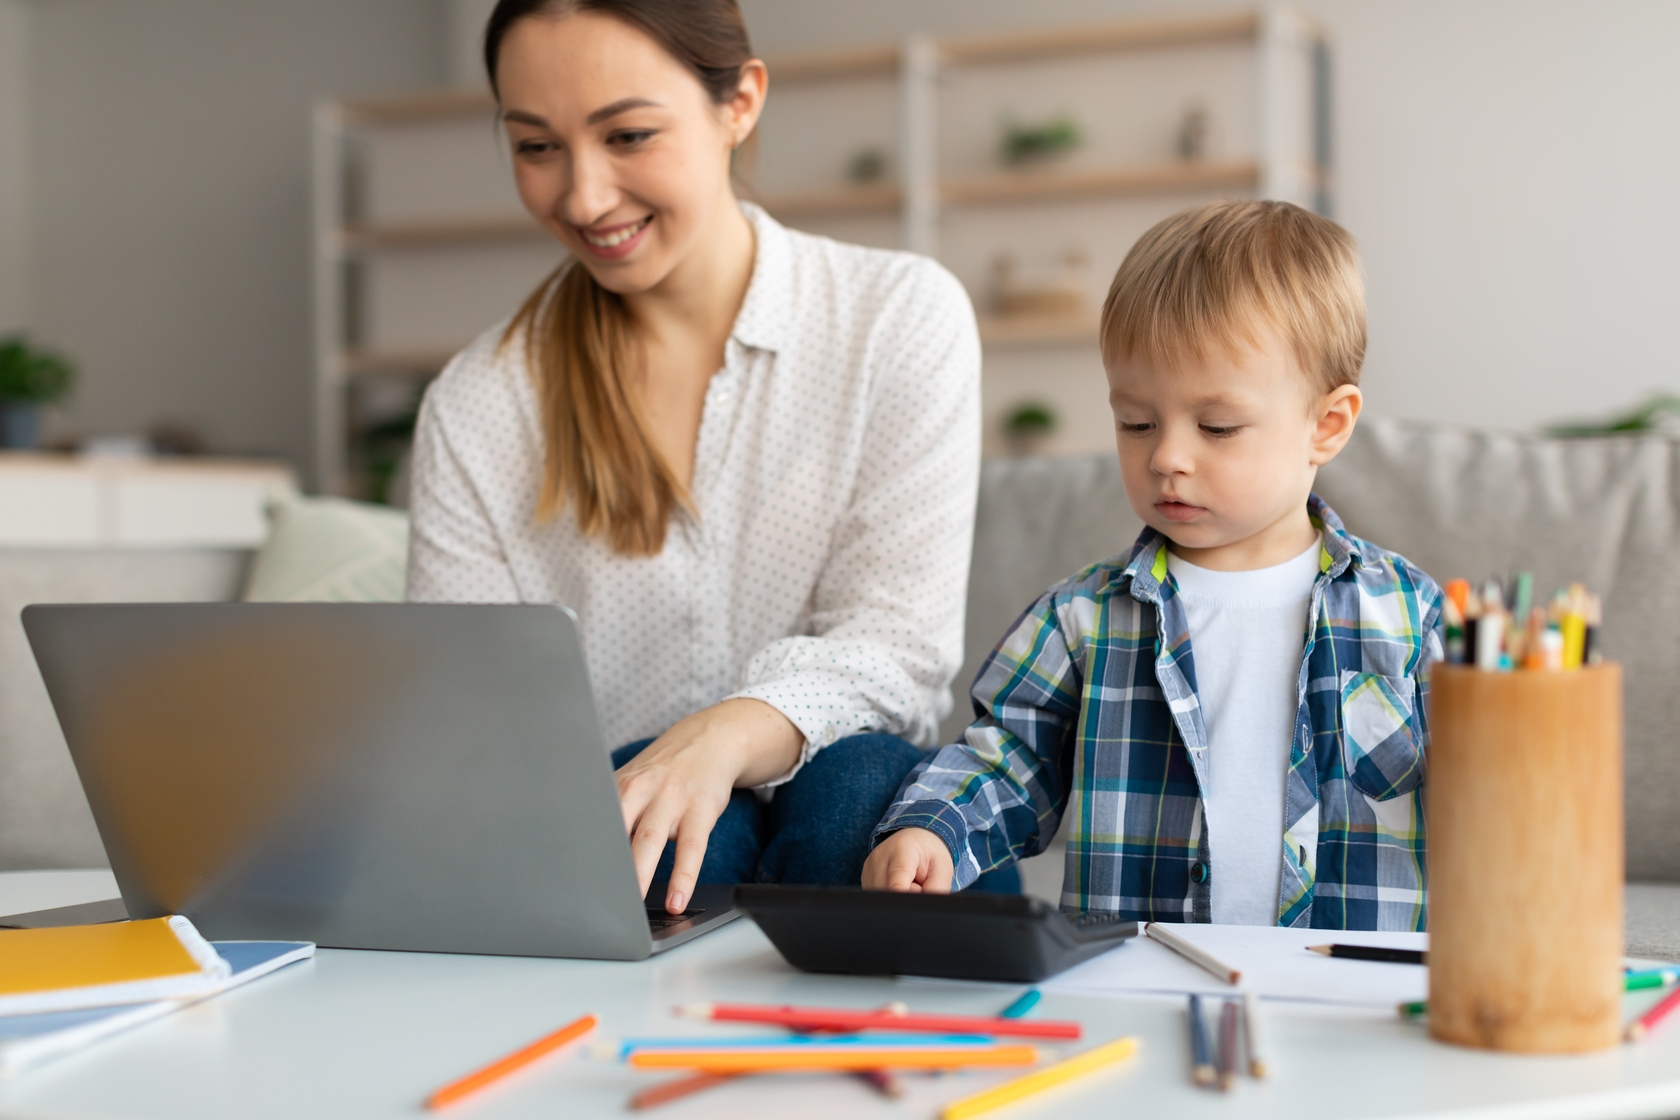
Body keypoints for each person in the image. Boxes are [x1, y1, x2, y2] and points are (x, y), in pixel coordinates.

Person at [406, 0, 994, 915]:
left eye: (629, 134)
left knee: (864, 785)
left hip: (845, 802)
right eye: (536, 146)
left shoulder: (896, 319)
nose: (584, 197)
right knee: (658, 817)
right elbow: (468, 721)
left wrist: (723, 737)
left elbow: (898, 653)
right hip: (622, 824)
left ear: (741, 102)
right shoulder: (480, 404)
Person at [864, 200, 1444, 931]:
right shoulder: (1083, 618)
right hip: (1138, 979)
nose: (1165, 456)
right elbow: (1003, 755)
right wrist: (931, 831)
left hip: (1350, 993)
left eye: (1217, 427)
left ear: (1325, 426)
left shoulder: (1409, 616)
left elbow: (1488, 796)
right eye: (1136, 422)